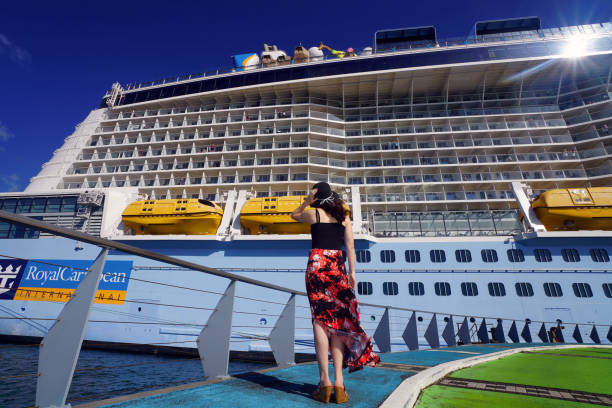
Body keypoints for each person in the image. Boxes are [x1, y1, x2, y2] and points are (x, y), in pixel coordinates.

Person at [291, 182, 379, 404]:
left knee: (320, 322)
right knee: (338, 322)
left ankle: (325, 382)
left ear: (317, 196)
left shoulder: (314, 214)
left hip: (317, 265)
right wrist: (352, 273)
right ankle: (339, 383)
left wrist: (306, 201)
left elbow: (294, 215)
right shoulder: (344, 217)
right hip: (337, 266)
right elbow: (350, 248)